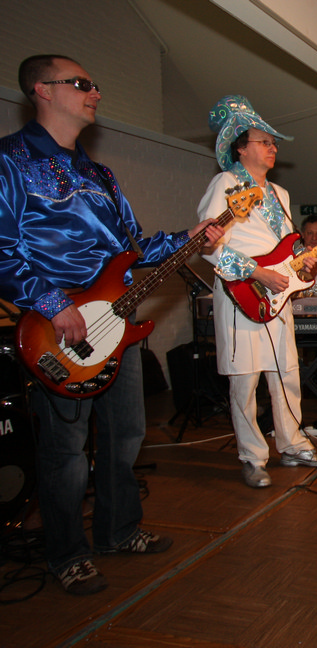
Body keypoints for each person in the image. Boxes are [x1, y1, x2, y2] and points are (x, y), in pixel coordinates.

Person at [0, 55, 223, 595]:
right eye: (82, 83)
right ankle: (67, 554)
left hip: (118, 324)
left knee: (126, 436)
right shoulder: (10, 161)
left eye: (95, 84)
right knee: (67, 454)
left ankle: (119, 531)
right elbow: (3, 250)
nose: (95, 92)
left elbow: (134, 248)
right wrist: (54, 304)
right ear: (42, 90)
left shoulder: (100, 174)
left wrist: (191, 237)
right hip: (58, 328)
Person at [199, 95, 317, 489]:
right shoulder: (225, 184)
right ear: (240, 147)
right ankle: (253, 458)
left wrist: (303, 263)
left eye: (274, 143)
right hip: (241, 293)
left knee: (286, 372)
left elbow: (287, 247)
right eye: (264, 142)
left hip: (278, 295)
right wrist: (257, 272)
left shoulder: (281, 194)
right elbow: (208, 245)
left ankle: (292, 444)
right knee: (245, 381)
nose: (273, 148)